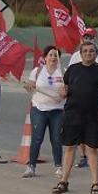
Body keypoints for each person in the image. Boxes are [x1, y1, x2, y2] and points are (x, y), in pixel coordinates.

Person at [53, 42, 98, 194]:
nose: (88, 53)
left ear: (96, 53)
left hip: (93, 117)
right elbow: (65, 89)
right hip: (72, 115)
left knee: (92, 149)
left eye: (91, 51)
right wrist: (62, 92)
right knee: (70, 148)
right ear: (80, 54)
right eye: (85, 51)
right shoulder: (72, 69)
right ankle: (64, 181)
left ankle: (95, 183)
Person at [68, 29, 98, 169]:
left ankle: (97, 155)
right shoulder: (76, 56)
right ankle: (84, 156)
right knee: (80, 128)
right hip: (78, 100)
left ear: (95, 38)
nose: (88, 38)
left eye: (91, 36)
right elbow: (69, 77)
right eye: (86, 36)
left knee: (97, 127)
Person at [21, 46, 64, 178]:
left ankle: (59, 167)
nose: (53, 58)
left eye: (55, 55)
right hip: (39, 109)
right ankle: (31, 167)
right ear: (45, 57)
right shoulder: (38, 71)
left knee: (56, 138)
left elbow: (68, 90)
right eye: (50, 55)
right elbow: (30, 87)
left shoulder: (63, 72)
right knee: (37, 138)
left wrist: (63, 95)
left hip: (57, 110)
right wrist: (28, 86)